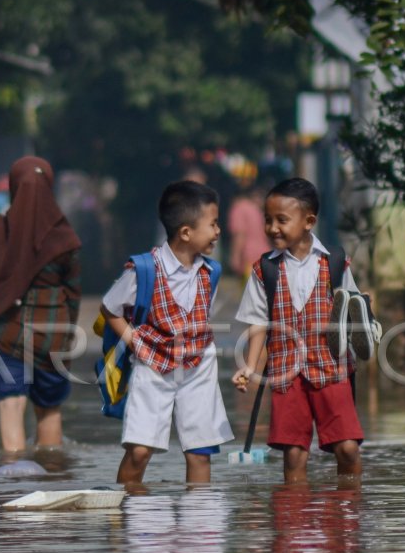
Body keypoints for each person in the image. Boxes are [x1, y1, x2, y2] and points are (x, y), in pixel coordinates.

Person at [231, 178, 366, 482]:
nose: (272, 228)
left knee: (347, 448)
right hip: (285, 373)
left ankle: (348, 514)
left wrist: (364, 327)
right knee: (294, 454)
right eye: (268, 220)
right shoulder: (263, 269)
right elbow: (258, 324)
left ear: (309, 221)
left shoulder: (334, 263)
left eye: (281, 220)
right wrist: (251, 368)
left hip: (332, 370)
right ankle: (293, 523)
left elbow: (352, 311)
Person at [99, 180, 233, 485]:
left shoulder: (211, 272)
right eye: (212, 224)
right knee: (140, 451)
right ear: (186, 232)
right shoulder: (143, 270)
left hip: (198, 367)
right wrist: (135, 341)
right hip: (152, 368)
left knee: (200, 452)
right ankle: (127, 514)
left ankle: (200, 524)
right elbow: (110, 309)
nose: (218, 231)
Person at [0, 156, 82, 452]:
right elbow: (73, 291)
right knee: (49, 407)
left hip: (4, 332)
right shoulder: (65, 239)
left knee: (11, 404)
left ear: (13, 189)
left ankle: (13, 482)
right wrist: (66, 329)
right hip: (53, 334)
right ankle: (52, 476)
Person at [227, 187, 268, 279]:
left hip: (248, 258)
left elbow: (240, 234)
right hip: (263, 255)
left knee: (248, 290)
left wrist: (235, 257)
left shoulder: (238, 208)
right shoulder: (255, 209)